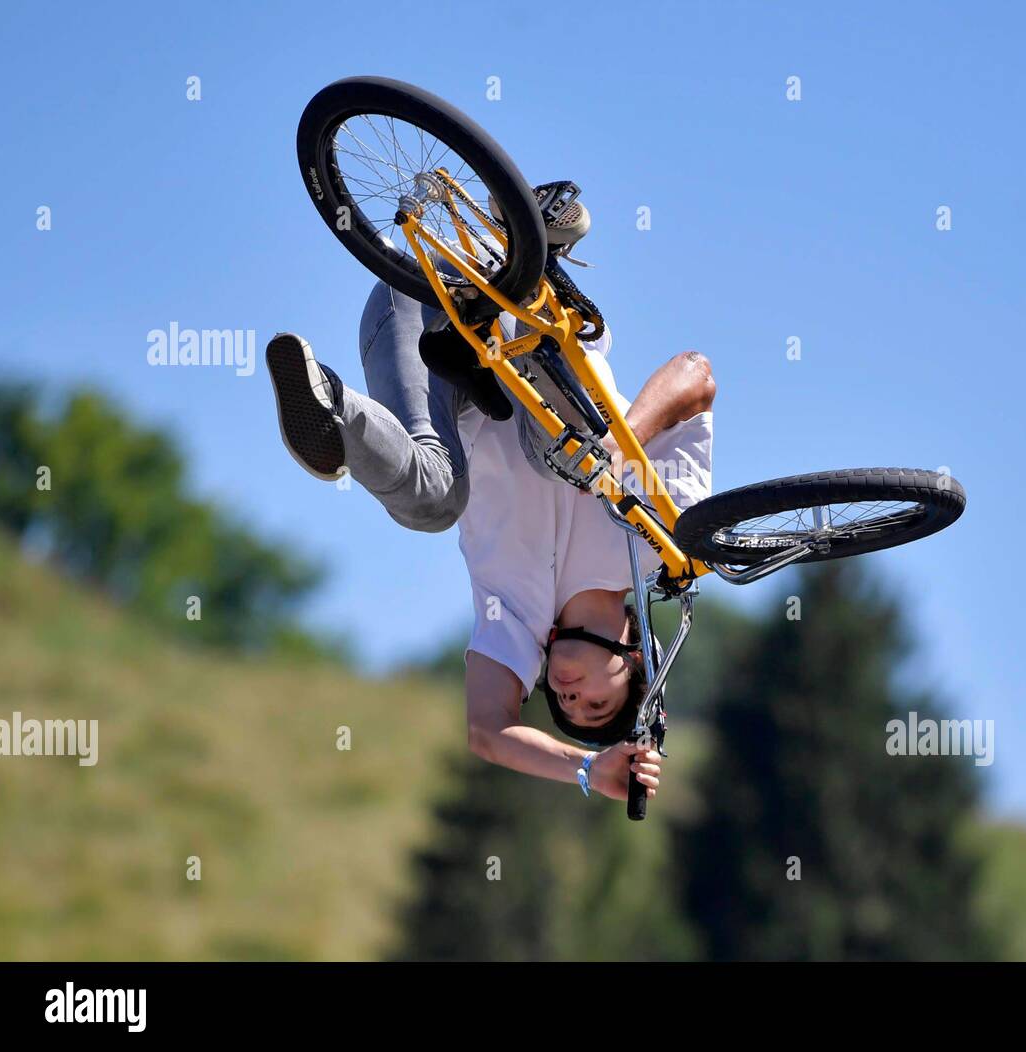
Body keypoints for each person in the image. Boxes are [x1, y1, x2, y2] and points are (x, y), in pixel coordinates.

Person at [266, 196, 715, 803]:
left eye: (562, 704)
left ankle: (330, 407)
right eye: (595, 701)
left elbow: (489, 731)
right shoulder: (658, 543)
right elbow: (696, 372)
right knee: (569, 456)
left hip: (416, 315)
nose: (568, 693)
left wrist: (587, 767)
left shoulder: (515, 623)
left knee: (435, 499)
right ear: (635, 655)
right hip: (512, 314)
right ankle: (525, 248)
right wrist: (620, 441)